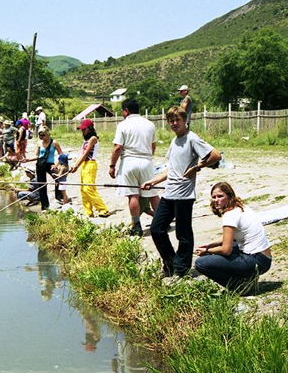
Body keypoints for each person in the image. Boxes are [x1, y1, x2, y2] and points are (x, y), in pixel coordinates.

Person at [142, 106, 221, 277]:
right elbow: (172, 169)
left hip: (184, 195)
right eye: (171, 120)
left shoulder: (192, 138)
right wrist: (153, 181)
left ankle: (182, 269)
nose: (174, 123)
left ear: (185, 120)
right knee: (157, 229)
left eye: (177, 120)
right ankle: (170, 263)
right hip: (169, 193)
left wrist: (197, 167)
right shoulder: (174, 141)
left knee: (182, 233)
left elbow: (216, 155)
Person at [194, 182, 272, 294]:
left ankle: (239, 287)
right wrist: (211, 245)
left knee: (201, 263)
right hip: (265, 258)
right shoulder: (240, 207)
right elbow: (231, 236)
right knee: (221, 249)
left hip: (256, 260)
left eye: (220, 196)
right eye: (214, 197)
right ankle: (247, 278)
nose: (216, 200)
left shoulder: (230, 215)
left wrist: (207, 251)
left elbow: (226, 250)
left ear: (229, 196)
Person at [109, 99, 160, 236]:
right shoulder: (149, 124)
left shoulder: (123, 125)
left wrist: (112, 165)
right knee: (153, 194)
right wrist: (148, 157)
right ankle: (162, 221)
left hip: (129, 162)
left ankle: (136, 226)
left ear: (126, 110)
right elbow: (153, 145)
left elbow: (118, 147)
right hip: (146, 161)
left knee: (133, 195)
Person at [70, 119, 110, 217]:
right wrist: (75, 165)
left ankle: (103, 209)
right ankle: (88, 212)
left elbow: (86, 154)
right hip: (84, 165)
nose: (82, 131)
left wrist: (76, 166)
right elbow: (81, 155)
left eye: (84, 129)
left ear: (90, 128)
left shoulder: (93, 139)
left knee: (88, 188)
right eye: (81, 129)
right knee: (83, 189)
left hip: (91, 164)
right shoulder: (86, 140)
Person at [24, 127, 63, 211]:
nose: (42, 137)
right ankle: (45, 206)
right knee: (42, 185)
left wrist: (56, 165)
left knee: (58, 179)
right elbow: (37, 156)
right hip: (40, 164)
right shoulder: (39, 143)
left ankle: (59, 197)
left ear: (48, 133)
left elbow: (61, 155)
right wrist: (28, 160)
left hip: (50, 164)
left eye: (43, 135)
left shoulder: (54, 143)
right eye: (40, 135)